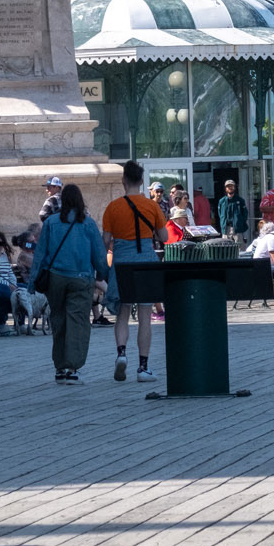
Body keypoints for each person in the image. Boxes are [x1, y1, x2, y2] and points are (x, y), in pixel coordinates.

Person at [26, 185, 108, 383]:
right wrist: (102, 274)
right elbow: (99, 254)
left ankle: (60, 366)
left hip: (56, 278)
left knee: (59, 320)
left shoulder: (52, 223)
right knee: (78, 322)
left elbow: (40, 255)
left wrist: (32, 281)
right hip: (81, 278)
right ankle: (72, 367)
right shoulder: (88, 224)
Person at [102, 161, 166, 384]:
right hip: (145, 260)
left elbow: (106, 241)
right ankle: (143, 367)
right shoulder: (152, 206)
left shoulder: (113, 207)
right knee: (145, 316)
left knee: (123, 312)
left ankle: (121, 353)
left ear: (123, 180)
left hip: (122, 261)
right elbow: (165, 237)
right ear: (141, 181)